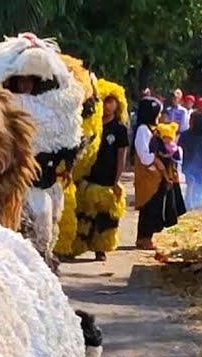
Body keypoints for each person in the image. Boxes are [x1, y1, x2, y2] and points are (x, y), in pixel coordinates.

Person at [73, 82, 130, 261]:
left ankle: (100, 249)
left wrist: (117, 178)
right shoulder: (91, 126)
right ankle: (78, 246)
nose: (107, 106)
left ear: (118, 104)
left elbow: (122, 155)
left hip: (107, 178)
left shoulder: (119, 128)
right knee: (84, 214)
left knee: (105, 217)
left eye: (111, 102)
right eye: (104, 102)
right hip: (89, 176)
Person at [131, 96, 186, 251]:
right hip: (148, 175)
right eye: (157, 113)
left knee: (156, 205)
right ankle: (144, 238)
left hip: (156, 176)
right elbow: (143, 154)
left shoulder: (153, 129)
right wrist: (157, 162)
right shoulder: (143, 130)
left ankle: (146, 237)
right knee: (149, 206)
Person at [181, 111, 202, 211]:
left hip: (199, 165)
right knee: (190, 183)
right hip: (187, 164)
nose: (190, 122)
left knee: (198, 184)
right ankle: (188, 203)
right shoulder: (184, 135)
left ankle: (197, 202)